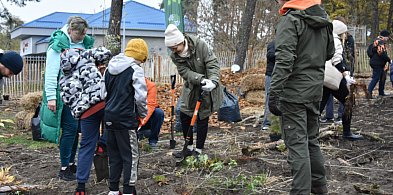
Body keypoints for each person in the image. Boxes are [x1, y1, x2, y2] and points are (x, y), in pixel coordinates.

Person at [268, 0, 334, 194]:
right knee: (311, 140)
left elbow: (284, 60)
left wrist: (274, 93)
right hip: (315, 91)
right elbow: (329, 53)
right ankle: (319, 186)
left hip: (294, 94)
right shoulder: (323, 20)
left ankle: (301, 191)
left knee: (297, 144)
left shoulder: (291, 20)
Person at [40, 16, 94, 181]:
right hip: (63, 94)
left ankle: (71, 163)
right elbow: (51, 73)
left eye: (84, 34)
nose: (82, 38)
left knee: (76, 130)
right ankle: (64, 168)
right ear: (70, 31)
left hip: (79, 94)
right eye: (79, 35)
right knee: (70, 129)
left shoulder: (83, 44)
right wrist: (51, 97)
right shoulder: (58, 45)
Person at [164, 24, 223, 158]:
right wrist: (199, 79)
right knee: (185, 114)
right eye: (171, 48)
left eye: (174, 47)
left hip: (208, 87)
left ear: (181, 41)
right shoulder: (175, 55)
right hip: (191, 87)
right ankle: (188, 147)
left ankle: (199, 150)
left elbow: (212, 63)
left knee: (203, 117)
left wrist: (212, 81)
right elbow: (184, 71)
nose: (173, 51)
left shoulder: (200, 45)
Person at [59, 47, 112, 194]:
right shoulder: (86, 58)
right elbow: (105, 52)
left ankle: (80, 187)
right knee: (113, 131)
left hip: (86, 113)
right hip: (102, 103)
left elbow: (66, 100)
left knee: (86, 146)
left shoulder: (63, 79)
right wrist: (88, 52)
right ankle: (103, 143)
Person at [104, 38, 148, 195]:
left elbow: (103, 93)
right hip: (126, 119)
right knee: (130, 156)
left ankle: (113, 190)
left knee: (114, 155)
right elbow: (140, 97)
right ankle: (129, 191)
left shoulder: (109, 68)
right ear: (141, 56)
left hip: (108, 117)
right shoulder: (135, 69)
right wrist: (143, 114)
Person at [320, 20, 363, 141]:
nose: (346, 35)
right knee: (348, 101)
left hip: (323, 77)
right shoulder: (336, 41)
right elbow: (337, 60)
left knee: (318, 108)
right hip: (333, 78)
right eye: (344, 32)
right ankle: (347, 132)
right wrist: (345, 74)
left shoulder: (324, 38)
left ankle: (308, 135)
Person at [137, 78, 165, 149]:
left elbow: (150, 106)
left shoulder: (150, 85)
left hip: (145, 118)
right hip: (132, 118)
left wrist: (141, 123)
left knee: (159, 113)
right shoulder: (127, 84)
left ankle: (153, 141)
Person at [367, 30, 392, 98]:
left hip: (377, 63)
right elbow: (381, 53)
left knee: (382, 77)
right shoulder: (380, 42)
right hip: (377, 63)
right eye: (387, 37)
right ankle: (368, 92)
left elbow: (369, 52)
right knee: (376, 78)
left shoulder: (375, 41)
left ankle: (381, 92)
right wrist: (389, 60)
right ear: (385, 36)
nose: (388, 39)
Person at [262, 41, 275, 130]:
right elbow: (270, 55)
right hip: (271, 75)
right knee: (270, 98)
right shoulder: (273, 44)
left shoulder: (291, 42)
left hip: (285, 75)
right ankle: (267, 122)